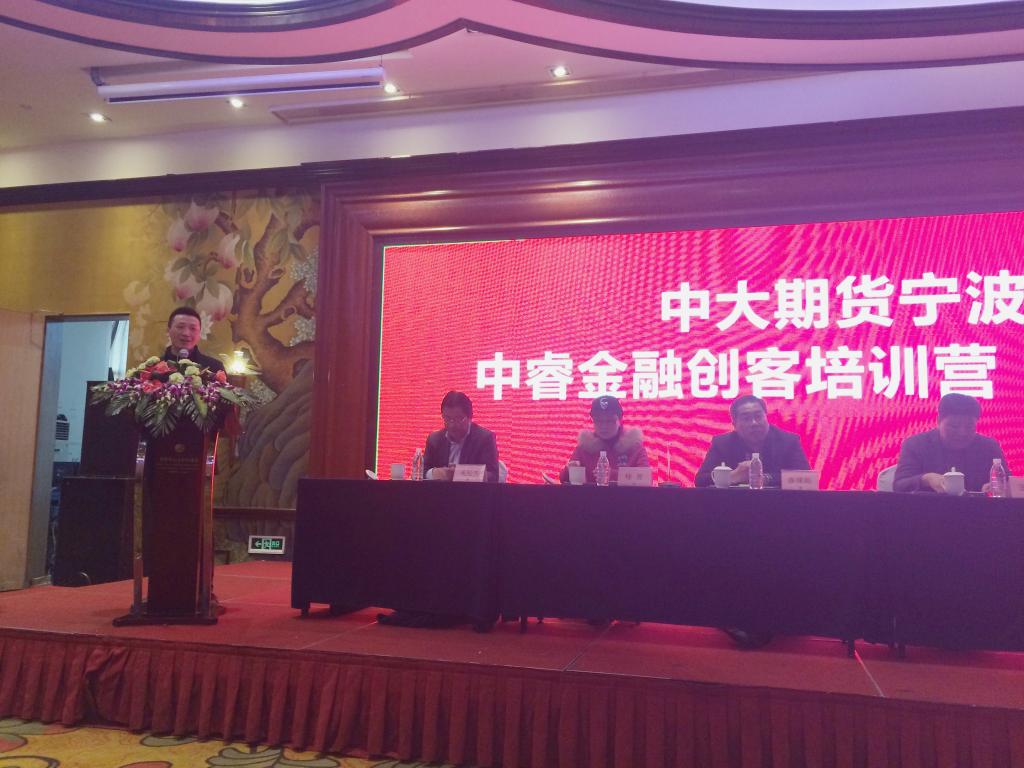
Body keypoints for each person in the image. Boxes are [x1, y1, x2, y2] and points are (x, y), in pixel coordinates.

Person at [893, 392, 1010, 493]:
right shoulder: (916, 445)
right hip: (928, 509)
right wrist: (926, 479)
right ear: (939, 421)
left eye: (969, 426)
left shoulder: (988, 447)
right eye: (954, 426)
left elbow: (1008, 482)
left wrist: (995, 487)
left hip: (978, 509)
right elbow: (899, 485)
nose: (962, 433)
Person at [694, 395, 810, 488]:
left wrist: (764, 479)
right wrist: (732, 477)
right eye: (746, 418)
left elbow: (806, 478)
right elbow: (700, 480)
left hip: (779, 504)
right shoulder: (722, 443)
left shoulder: (788, 441)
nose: (754, 423)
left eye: (758, 416)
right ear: (734, 424)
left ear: (766, 417)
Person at [559, 396, 649, 483]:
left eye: (609, 421)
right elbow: (563, 479)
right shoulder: (584, 447)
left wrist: (612, 475)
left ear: (620, 420)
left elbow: (646, 478)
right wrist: (568, 471)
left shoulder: (634, 447)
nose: (604, 426)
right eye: (598, 421)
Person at [423, 391, 500, 482]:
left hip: (471, 490)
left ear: (470, 417)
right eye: (447, 418)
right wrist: (436, 473)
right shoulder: (434, 439)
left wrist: (461, 473)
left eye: (458, 419)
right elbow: (421, 471)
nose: (452, 425)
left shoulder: (484, 439)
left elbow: (493, 475)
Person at [162, 306, 225, 373]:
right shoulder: (155, 366)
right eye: (180, 327)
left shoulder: (215, 368)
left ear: (199, 333)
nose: (186, 333)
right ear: (168, 330)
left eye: (193, 328)